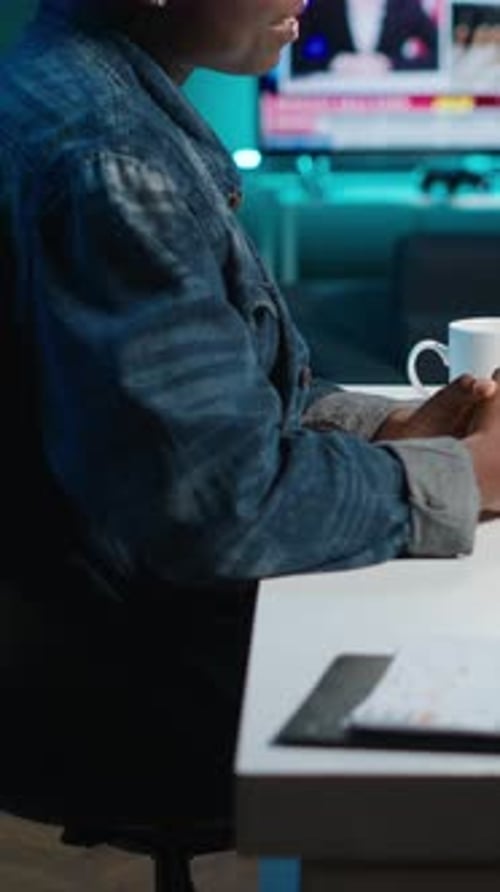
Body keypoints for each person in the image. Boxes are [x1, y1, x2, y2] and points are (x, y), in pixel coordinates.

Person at [1, 0, 500, 841]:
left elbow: (230, 402)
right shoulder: (117, 161)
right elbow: (224, 505)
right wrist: (475, 474)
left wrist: (390, 432)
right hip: (133, 672)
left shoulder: (83, 84)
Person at [292, 0, 439, 77]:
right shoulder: (324, 4)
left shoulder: (405, 5)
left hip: (392, 103)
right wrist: (332, 62)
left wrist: (390, 64)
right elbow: (291, 53)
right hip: (332, 101)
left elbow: (441, 54)